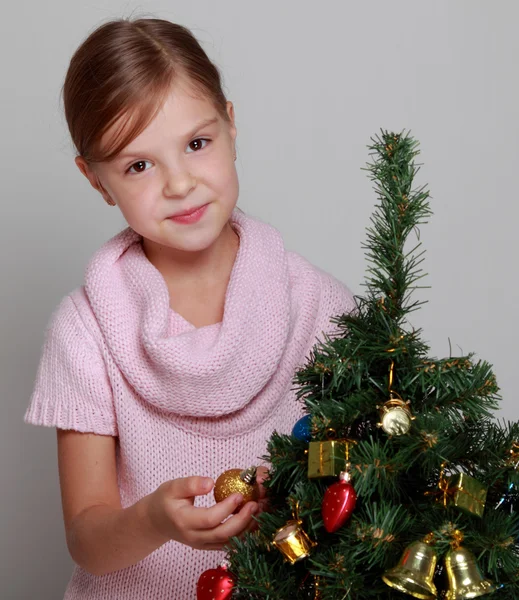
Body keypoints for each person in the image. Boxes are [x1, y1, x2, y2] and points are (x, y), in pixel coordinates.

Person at [23, 16, 356, 600]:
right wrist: (151, 520)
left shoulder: (319, 307)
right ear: (97, 180)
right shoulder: (85, 331)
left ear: (230, 125)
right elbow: (88, 538)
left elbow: (371, 486)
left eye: (196, 144)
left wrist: (297, 494)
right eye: (139, 165)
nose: (178, 184)